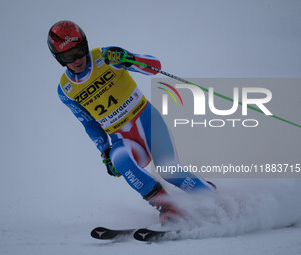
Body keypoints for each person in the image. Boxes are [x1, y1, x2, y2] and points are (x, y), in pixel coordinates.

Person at [47, 20, 215, 224]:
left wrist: (130, 59)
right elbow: (89, 123)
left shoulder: (106, 56)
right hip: (122, 139)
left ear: (86, 44)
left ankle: (215, 200)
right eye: (68, 56)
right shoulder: (66, 90)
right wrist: (104, 151)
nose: (77, 59)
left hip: (148, 122)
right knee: (119, 159)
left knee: (170, 172)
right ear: (59, 59)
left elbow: (155, 67)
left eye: (80, 50)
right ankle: (169, 208)